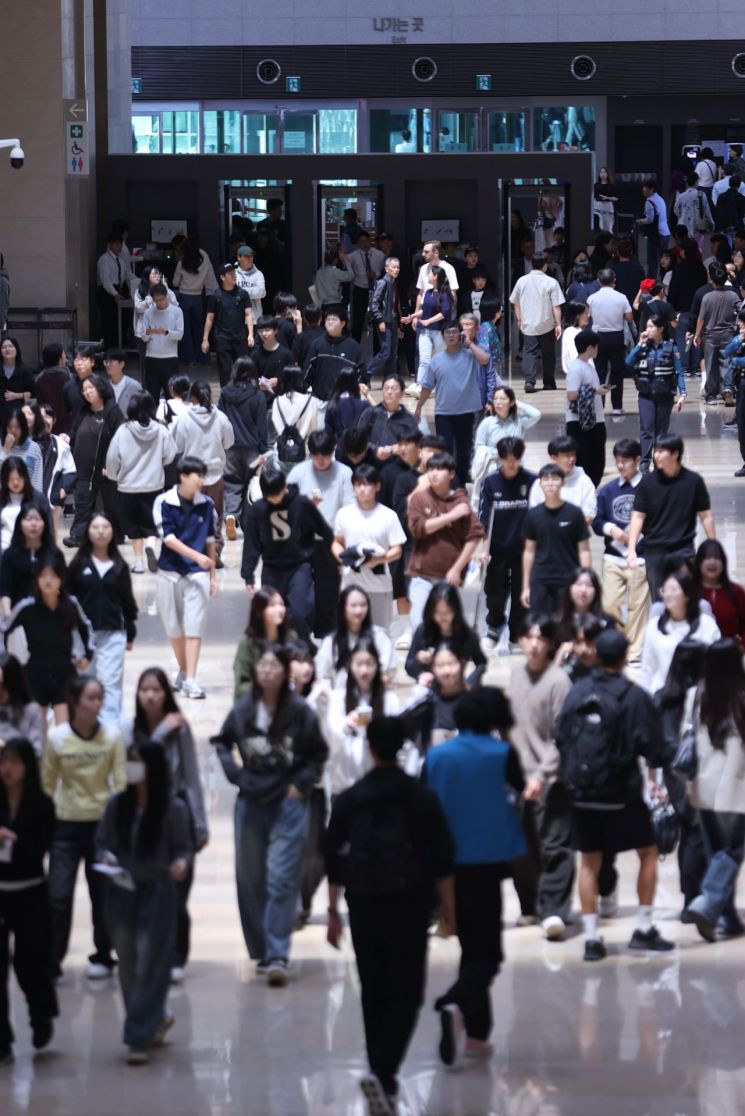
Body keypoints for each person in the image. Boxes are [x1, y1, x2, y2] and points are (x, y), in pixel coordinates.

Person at [325, 715, 455, 1115]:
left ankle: (381, 1072)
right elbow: (442, 859)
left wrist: (332, 911)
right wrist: (450, 910)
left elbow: (332, 857)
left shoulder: (349, 798)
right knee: (408, 992)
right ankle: (383, 1072)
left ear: (369, 747)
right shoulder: (420, 797)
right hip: (410, 902)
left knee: (374, 988)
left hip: (362, 901)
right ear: (401, 748)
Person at [212, 644, 328, 986]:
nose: (265, 671)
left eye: (272, 665)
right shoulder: (245, 708)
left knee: (281, 877)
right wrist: (236, 776)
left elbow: (317, 754)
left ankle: (277, 954)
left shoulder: (300, 713)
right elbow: (221, 742)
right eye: (261, 665)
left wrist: (301, 785)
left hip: (289, 804)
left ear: (284, 672)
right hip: (250, 802)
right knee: (250, 878)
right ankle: (261, 949)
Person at [555, 628, 673, 961]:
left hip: (582, 793)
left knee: (589, 863)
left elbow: (561, 736)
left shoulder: (578, 691)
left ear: (595, 655)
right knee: (648, 854)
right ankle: (643, 928)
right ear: (623, 658)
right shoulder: (634, 696)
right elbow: (652, 747)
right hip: (622, 794)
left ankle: (592, 939)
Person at [425, 688, 525, 1066]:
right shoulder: (501, 753)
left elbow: (425, 801)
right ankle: (454, 1002)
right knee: (490, 954)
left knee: (472, 947)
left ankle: (477, 1036)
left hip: (445, 863)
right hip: (486, 863)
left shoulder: (436, 756)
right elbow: (522, 788)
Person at [96, 742, 192, 1064]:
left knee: (152, 960)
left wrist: (181, 863)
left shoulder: (172, 808)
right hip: (121, 892)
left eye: (136, 761)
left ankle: (137, 1035)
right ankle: (154, 1016)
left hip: (157, 891)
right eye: (128, 761)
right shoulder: (116, 806)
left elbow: (183, 848)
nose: (130, 767)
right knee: (128, 963)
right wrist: (107, 859)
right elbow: (103, 843)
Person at [123, 667, 208, 982]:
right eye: (144, 689)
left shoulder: (180, 729)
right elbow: (134, 771)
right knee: (147, 888)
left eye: (156, 690)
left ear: (166, 694)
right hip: (143, 817)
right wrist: (158, 736)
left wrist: (200, 824)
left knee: (177, 891)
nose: (150, 695)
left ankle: (176, 955)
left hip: (177, 816)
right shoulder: (131, 731)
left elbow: (192, 777)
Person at [42, 674, 126, 979]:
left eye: (100, 697)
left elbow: (120, 784)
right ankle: (51, 961)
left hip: (101, 828)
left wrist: (119, 828)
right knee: (58, 896)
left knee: (102, 894)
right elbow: (48, 784)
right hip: (64, 827)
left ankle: (103, 955)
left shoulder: (112, 736)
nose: (97, 703)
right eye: (91, 697)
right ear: (76, 701)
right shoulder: (58, 737)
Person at [508, 614, 574, 939]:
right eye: (528, 637)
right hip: (518, 778)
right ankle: (531, 907)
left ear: (550, 643)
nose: (534, 644)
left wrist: (541, 774)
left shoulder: (559, 681)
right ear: (520, 640)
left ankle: (555, 910)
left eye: (540, 638)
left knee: (554, 846)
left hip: (551, 778)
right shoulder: (515, 676)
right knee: (522, 848)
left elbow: (561, 736)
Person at [0, 737, 58, 1062]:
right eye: (2, 761)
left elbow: (38, 851)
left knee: (28, 964)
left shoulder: (42, 805)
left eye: (14, 761)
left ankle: (41, 1016)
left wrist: (12, 841)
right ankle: (2, 1037)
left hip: (31, 892)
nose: (6, 768)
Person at [685, 640, 745, 941]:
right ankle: (708, 903)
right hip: (737, 787)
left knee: (718, 854)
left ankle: (729, 918)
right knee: (732, 853)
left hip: (703, 787)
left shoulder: (697, 694)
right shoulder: (742, 695)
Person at [240, 469, 333, 643]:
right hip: (271, 567)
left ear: (285, 488)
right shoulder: (257, 510)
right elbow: (251, 543)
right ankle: (278, 651)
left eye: (277, 494)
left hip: (299, 565)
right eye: (270, 496)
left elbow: (324, 530)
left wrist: (333, 556)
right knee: (270, 613)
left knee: (301, 612)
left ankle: (302, 649)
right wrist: (248, 574)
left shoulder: (301, 504)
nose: (274, 500)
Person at [152, 456, 218, 699]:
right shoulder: (163, 502)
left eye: (203, 475)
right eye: (197, 475)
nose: (201, 480)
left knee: (194, 628)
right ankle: (182, 670)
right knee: (173, 629)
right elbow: (168, 538)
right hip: (168, 573)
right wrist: (197, 556)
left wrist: (212, 576)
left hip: (198, 576)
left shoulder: (207, 504)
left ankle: (191, 678)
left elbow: (210, 540)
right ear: (183, 477)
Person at [5, 553, 94, 724]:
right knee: (38, 731)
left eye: (53, 575)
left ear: (61, 578)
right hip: (34, 675)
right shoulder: (26, 606)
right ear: (37, 578)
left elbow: (86, 628)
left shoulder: (71, 604)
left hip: (65, 673)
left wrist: (88, 655)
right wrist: (8, 663)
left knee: (64, 731)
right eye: (43, 575)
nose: (48, 580)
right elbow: (5, 630)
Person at [66, 514, 138, 724]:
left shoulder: (119, 566)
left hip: (113, 633)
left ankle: (110, 731)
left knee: (111, 684)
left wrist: (131, 629)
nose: (100, 531)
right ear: (88, 532)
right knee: (84, 683)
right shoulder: (78, 565)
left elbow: (127, 601)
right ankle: (83, 727)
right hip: (82, 637)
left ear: (112, 532)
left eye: (105, 527)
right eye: (95, 527)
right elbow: (67, 599)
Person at [627, 433, 716, 597]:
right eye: (656, 451)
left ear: (675, 454)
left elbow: (706, 515)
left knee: (686, 598)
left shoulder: (693, 481)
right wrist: (631, 549)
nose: (656, 455)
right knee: (659, 601)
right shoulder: (647, 483)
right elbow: (638, 517)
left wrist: (712, 546)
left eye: (661, 451)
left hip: (683, 550)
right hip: (655, 551)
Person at [406, 451, 485, 631]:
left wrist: (457, 568)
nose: (433, 473)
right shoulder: (419, 498)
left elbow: (475, 535)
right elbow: (419, 529)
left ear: (451, 474)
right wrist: (450, 516)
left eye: (439, 469)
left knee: (446, 627)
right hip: (422, 573)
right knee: (419, 624)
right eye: (430, 469)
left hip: (450, 578)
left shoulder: (460, 499)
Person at [287, 429, 354, 637]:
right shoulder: (298, 473)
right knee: (300, 592)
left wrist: (344, 541)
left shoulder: (344, 473)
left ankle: (327, 639)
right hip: (302, 541)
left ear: (332, 452)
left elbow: (349, 507)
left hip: (331, 542)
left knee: (328, 593)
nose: (321, 460)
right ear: (310, 452)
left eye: (325, 455)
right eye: (316, 455)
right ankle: (302, 636)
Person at [106, 391, 178, 573]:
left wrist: (114, 476)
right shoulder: (161, 429)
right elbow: (171, 455)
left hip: (127, 487)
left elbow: (113, 458)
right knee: (152, 524)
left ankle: (138, 563)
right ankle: (151, 547)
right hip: (154, 486)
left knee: (133, 526)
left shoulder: (123, 430)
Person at [592, 439, 650, 662]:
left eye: (625, 461)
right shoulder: (608, 490)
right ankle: (616, 646)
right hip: (613, 557)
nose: (621, 466)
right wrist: (612, 529)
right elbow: (597, 521)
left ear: (637, 460)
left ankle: (634, 653)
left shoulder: (649, 487)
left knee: (638, 606)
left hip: (641, 558)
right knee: (609, 604)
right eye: (618, 462)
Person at [477, 437, 537, 647]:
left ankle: (516, 633)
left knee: (523, 591)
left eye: (515, 458)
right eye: (506, 458)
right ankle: (493, 627)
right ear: (500, 458)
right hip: (497, 548)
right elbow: (484, 519)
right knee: (494, 591)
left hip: (524, 549)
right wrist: (484, 550)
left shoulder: (532, 481)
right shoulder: (490, 482)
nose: (511, 462)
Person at [323, 637, 400, 798]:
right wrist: (346, 724)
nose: (364, 670)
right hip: (345, 783)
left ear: (377, 666)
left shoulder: (389, 699)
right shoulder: (338, 697)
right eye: (359, 664)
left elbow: (399, 739)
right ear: (350, 666)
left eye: (369, 664)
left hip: (381, 785)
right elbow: (329, 736)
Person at [414, 322, 490, 486]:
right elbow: (427, 387)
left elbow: (485, 360)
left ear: (460, 335)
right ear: (443, 336)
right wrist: (419, 406)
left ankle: (461, 481)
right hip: (444, 413)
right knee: (445, 449)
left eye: (455, 332)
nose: (451, 335)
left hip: (466, 411)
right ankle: (446, 480)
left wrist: (469, 343)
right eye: (448, 333)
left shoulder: (469, 355)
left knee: (464, 450)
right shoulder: (436, 361)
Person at [332, 465, 406, 629]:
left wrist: (380, 559)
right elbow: (337, 541)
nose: (362, 489)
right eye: (358, 485)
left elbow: (397, 549)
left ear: (377, 486)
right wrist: (343, 557)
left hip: (380, 586)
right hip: (350, 584)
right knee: (349, 635)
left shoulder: (388, 516)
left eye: (366, 484)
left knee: (379, 636)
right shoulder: (344, 514)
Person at [172, 380, 234, 560]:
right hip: (215, 475)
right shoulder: (221, 417)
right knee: (216, 516)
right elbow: (229, 442)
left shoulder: (184, 418)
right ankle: (214, 550)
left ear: (192, 396)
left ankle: (195, 552)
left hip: (191, 478)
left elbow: (177, 446)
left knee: (191, 515)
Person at [521, 463, 592, 616]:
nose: (550, 483)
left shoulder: (574, 514)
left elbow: (584, 550)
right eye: (545, 479)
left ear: (563, 482)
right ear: (540, 484)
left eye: (555, 478)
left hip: (568, 578)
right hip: (540, 579)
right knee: (540, 627)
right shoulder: (533, 515)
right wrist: (526, 587)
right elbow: (529, 552)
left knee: (566, 627)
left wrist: (586, 582)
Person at [64, 374, 124, 547]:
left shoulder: (113, 411)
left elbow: (119, 440)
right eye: (84, 390)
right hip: (82, 467)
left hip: (106, 468)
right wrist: (68, 436)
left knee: (111, 505)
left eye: (91, 388)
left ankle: (117, 535)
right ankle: (77, 536)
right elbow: (74, 431)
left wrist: (110, 464)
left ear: (100, 388)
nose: (87, 392)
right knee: (82, 504)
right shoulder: (83, 411)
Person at [639, 569, 721, 694]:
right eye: (664, 590)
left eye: (673, 589)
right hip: (662, 696)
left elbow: (717, 665)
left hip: (698, 696)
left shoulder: (707, 624)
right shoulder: (654, 625)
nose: (667, 594)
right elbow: (648, 668)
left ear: (688, 594)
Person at [625, 315, 686, 471]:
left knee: (661, 430)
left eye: (651, 327)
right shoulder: (643, 347)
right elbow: (628, 363)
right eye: (647, 326)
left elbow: (679, 372)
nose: (647, 330)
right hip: (646, 395)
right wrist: (639, 344)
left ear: (661, 329)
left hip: (665, 395)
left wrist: (683, 394)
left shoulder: (671, 347)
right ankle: (644, 463)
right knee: (646, 429)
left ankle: (659, 461)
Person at [219, 356, 269, 538]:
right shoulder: (258, 395)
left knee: (231, 484)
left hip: (230, 447)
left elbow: (222, 420)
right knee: (252, 485)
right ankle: (250, 524)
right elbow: (262, 425)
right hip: (252, 448)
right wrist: (264, 449)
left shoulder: (225, 393)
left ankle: (231, 515)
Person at [471, 388, 540, 509]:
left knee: (512, 500)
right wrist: (497, 453)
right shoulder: (487, 423)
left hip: (513, 466)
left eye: (502, 399)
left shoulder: (519, 422)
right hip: (490, 467)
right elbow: (479, 447)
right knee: (487, 501)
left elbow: (536, 414)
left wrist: (518, 403)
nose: (497, 402)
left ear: (511, 402)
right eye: (495, 399)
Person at [314, 584, 395, 689]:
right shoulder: (331, 641)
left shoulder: (379, 637)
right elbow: (321, 674)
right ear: (343, 608)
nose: (359, 611)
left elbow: (387, 673)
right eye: (354, 606)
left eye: (363, 605)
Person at [404, 581, 485, 685]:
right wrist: (419, 660)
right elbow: (409, 668)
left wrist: (470, 683)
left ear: (456, 610)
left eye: (447, 612)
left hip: (456, 689)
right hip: (429, 688)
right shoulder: (423, 630)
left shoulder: (466, 634)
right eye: (438, 612)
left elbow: (481, 663)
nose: (443, 617)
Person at [509, 254, 564, 392]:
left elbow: (515, 302)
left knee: (529, 351)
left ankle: (529, 381)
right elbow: (556, 305)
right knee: (548, 353)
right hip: (547, 323)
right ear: (545, 265)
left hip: (528, 323)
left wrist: (519, 318)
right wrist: (558, 324)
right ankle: (549, 382)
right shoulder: (551, 282)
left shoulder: (522, 281)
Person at [233, 587, 299, 700]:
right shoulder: (248, 644)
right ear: (260, 611)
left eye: (281, 604)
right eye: (272, 605)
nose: (279, 609)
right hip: (255, 705)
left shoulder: (291, 637)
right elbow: (242, 684)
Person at [587, 270, 635, 416]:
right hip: (616, 337)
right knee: (617, 373)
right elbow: (629, 317)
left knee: (599, 372)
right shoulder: (621, 297)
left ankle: (599, 406)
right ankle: (617, 407)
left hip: (597, 338)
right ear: (614, 280)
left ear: (598, 281)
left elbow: (587, 315)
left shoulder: (592, 298)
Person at [565, 328, 608, 488]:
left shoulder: (588, 366)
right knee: (584, 461)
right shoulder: (577, 368)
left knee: (596, 462)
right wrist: (596, 390)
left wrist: (598, 389)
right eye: (596, 346)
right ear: (590, 347)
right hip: (580, 422)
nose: (598, 349)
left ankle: (590, 491)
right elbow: (572, 394)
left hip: (594, 420)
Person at [0, 500, 57, 618]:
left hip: (48, 616)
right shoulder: (9, 555)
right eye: (28, 519)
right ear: (20, 523)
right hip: (17, 617)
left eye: (37, 519)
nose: (33, 523)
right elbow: (5, 590)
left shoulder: (54, 554)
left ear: (45, 523)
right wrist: (8, 617)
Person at [693, 264, 740, 405]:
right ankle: (728, 389)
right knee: (727, 363)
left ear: (712, 280)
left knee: (711, 365)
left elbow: (701, 318)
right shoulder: (733, 295)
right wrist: (736, 324)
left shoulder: (707, 297)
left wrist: (697, 334)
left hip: (710, 335)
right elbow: (741, 311)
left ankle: (712, 395)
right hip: (728, 335)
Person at [202, 263, 253, 387]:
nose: (234, 276)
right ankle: (226, 394)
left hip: (240, 337)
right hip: (222, 337)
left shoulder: (243, 294)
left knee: (242, 368)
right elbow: (209, 318)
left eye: (234, 273)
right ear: (222, 277)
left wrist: (250, 334)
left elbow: (248, 314)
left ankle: (242, 392)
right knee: (225, 370)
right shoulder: (216, 296)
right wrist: (205, 339)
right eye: (230, 274)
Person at [528, 435, 597, 523]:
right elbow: (534, 514)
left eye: (573, 454)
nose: (572, 459)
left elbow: (589, 513)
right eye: (567, 456)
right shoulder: (540, 483)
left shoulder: (584, 480)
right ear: (553, 458)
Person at [172, 238, 219, 366]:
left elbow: (175, 283)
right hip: (198, 297)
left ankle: (189, 358)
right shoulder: (204, 262)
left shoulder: (181, 263)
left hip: (184, 297)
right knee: (199, 328)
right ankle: (203, 357)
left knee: (185, 329)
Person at [303, 306, 366, 402]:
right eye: (328, 319)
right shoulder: (317, 344)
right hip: (320, 399)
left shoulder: (353, 347)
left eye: (334, 319)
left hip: (345, 401)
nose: (330, 322)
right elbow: (308, 372)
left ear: (343, 323)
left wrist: (360, 386)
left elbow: (361, 373)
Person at [407, 265, 454, 387]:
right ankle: (421, 386)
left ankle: (444, 384)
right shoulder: (428, 292)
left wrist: (428, 321)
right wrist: (413, 316)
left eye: (430, 274)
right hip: (425, 331)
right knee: (424, 360)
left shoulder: (445, 294)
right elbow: (425, 310)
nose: (428, 276)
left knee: (441, 360)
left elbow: (444, 313)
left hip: (439, 331)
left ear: (436, 276)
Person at [694, 538, 745, 645]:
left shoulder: (736, 591)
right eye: (707, 558)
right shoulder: (689, 591)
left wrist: (741, 647)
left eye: (717, 558)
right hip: (696, 657)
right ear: (699, 563)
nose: (712, 562)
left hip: (728, 656)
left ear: (723, 562)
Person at [140, 283, 184, 405]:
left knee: (172, 394)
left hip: (170, 357)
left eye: (161, 299)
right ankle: (151, 421)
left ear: (167, 296)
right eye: (156, 300)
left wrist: (166, 332)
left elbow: (180, 335)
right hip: (151, 357)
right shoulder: (148, 313)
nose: (159, 303)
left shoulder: (177, 311)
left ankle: (172, 421)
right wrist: (150, 332)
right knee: (151, 394)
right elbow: (143, 337)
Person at [133, 266, 178, 379]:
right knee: (145, 362)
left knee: (162, 360)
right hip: (144, 331)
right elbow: (139, 308)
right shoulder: (140, 291)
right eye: (154, 274)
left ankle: (161, 387)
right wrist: (150, 299)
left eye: (159, 274)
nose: (157, 276)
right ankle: (146, 388)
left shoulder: (164, 290)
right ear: (147, 277)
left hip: (162, 330)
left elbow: (175, 304)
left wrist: (166, 289)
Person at [0, 455, 48, 552]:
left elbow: (48, 530)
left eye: (19, 478)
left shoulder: (38, 499)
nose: (15, 483)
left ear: (25, 477)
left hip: (31, 553)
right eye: (11, 479)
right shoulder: (1, 497)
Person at [347, 232, 386, 343]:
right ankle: (355, 343)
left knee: (377, 318)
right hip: (360, 289)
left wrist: (376, 273)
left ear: (370, 241)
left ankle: (378, 346)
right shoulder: (353, 256)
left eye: (366, 241)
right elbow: (344, 261)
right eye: (361, 241)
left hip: (376, 288)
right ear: (358, 243)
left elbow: (385, 271)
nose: (364, 243)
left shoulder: (379, 255)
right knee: (358, 319)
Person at [0, 407, 43, 492]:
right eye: (9, 427)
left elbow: (37, 482)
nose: (13, 431)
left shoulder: (34, 448)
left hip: (26, 500)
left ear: (23, 427)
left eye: (17, 427)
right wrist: (5, 450)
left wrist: (36, 503)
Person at [324, 370, 372, 441]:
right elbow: (378, 414)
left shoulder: (332, 404)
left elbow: (328, 432)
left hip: (340, 446)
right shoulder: (364, 404)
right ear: (356, 383)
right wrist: (367, 395)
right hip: (359, 446)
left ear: (338, 383)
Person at [35, 343, 71, 436]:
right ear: (60, 359)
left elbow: (39, 403)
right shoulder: (67, 377)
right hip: (66, 427)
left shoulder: (40, 378)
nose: (65, 356)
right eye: (63, 354)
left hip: (47, 424)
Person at [638, 180, 671, 278]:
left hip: (656, 234)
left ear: (651, 189)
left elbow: (649, 219)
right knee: (663, 259)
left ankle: (651, 281)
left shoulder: (649, 202)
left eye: (645, 187)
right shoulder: (660, 199)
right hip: (666, 233)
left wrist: (640, 221)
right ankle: (664, 278)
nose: (643, 189)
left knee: (652, 260)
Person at [103, 348, 140, 418]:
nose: (107, 364)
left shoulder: (133, 385)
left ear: (122, 364)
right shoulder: (104, 385)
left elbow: (140, 409)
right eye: (106, 362)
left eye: (111, 362)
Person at [234, 244, 266, 324]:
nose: (250, 258)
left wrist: (239, 291)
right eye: (246, 256)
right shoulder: (232, 273)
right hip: (237, 318)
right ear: (239, 258)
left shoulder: (258, 274)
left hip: (255, 319)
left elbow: (261, 292)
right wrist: (253, 290)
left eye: (251, 256)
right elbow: (230, 293)